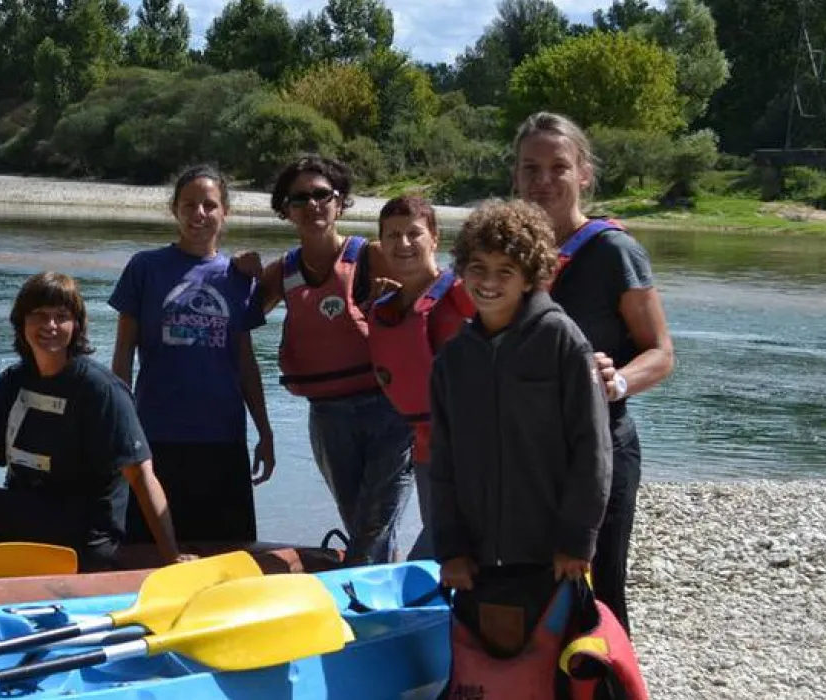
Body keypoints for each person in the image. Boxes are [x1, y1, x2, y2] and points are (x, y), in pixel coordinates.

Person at [0, 272, 189, 572]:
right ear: (22, 322)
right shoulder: (13, 380)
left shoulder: (100, 389)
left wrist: (170, 556)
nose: (51, 326)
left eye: (62, 317)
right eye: (40, 316)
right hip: (25, 511)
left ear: (77, 326)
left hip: (82, 534)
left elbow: (141, 475)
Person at [513, 112, 676, 631]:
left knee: (599, 595)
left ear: (584, 173)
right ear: (515, 175)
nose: (542, 181)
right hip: (529, 455)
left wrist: (618, 381)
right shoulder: (509, 253)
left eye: (558, 167)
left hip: (601, 451)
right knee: (528, 590)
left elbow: (662, 353)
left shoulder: (613, 251)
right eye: (530, 168)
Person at [428, 198, 612, 591]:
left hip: (551, 553)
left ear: (530, 277)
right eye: (478, 268)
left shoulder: (561, 340)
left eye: (505, 271)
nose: (489, 283)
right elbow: (442, 461)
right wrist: (450, 549)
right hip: (475, 559)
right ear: (461, 271)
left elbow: (592, 448)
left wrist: (576, 540)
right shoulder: (453, 358)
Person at [238, 154, 414, 565]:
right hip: (328, 415)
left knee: (373, 523)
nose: (312, 205)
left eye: (322, 195)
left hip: (387, 410)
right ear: (286, 210)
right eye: (300, 198)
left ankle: (365, 603)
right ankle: (385, 586)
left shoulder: (371, 256)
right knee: (359, 521)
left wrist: (398, 299)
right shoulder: (283, 271)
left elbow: (430, 305)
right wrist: (236, 275)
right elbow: (238, 320)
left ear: (340, 202)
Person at [108, 165, 274, 545]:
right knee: (149, 548)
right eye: (189, 204)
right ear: (175, 210)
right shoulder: (145, 268)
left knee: (225, 550)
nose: (199, 213)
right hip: (155, 437)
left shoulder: (237, 277)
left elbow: (246, 363)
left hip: (222, 438)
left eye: (209, 205)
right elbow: (123, 354)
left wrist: (265, 431)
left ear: (225, 212)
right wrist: (121, 428)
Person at [362, 195, 473, 560]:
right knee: (441, 539)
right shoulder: (385, 307)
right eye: (392, 235)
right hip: (425, 446)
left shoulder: (461, 294)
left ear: (435, 238)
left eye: (414, 233)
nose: (403, 244)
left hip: (472, 446)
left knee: (447, 543)